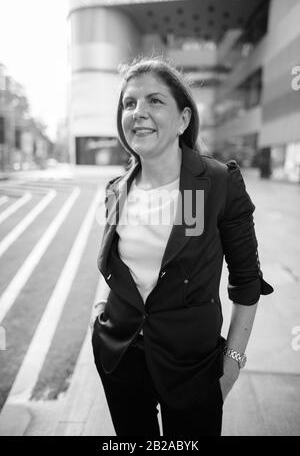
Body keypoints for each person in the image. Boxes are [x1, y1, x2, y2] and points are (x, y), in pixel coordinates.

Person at [91, 56, 274, 437]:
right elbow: (114, 267)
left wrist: (233, 362)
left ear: (184, 120)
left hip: (194, 368)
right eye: (129, 103)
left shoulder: (217, 183)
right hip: (120, 357)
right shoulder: (116, 190)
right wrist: (100, 314)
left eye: (155, 101)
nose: (138, 113)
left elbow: (246, 282)